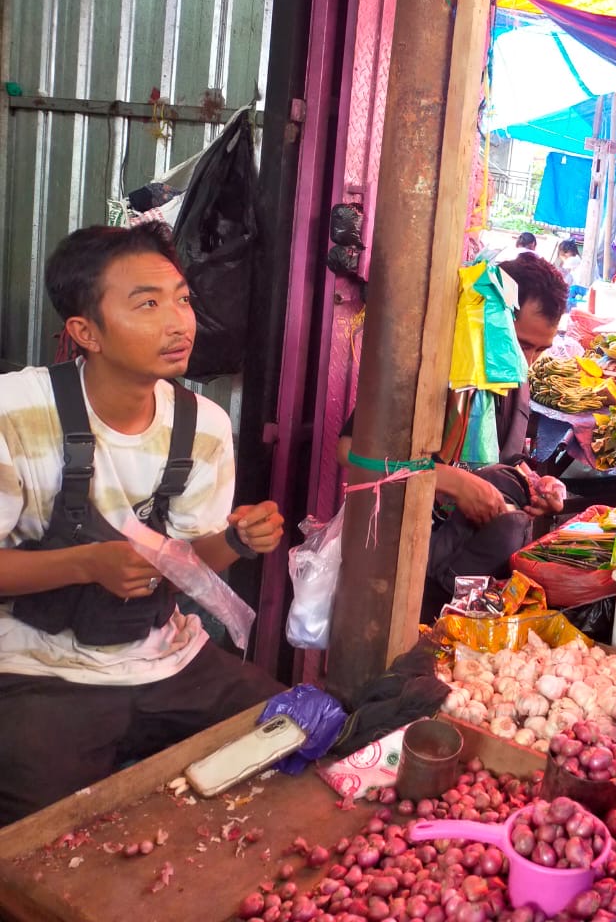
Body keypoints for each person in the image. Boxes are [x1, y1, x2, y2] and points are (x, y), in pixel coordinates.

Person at [0, 224, 285, 825]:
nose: (179, 322)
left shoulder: (203, 425)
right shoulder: (16, 412)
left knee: (292, 731)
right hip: (39, 668)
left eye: (181, 298)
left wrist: (235, 540)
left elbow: (188, 564)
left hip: (169, 659)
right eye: (147, 304)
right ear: (85, 332)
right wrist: (85, 564)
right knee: (40, 840)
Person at [339, 252, 568, 619]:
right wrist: (450, 482)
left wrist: (541, 485)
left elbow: (508, 461)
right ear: (494, 317)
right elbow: (350, 451)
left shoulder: (514, 381)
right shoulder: (433, 367)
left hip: (470, 582)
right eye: (523, 344)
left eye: (540, 350)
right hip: (402, 565)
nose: (528, 362)